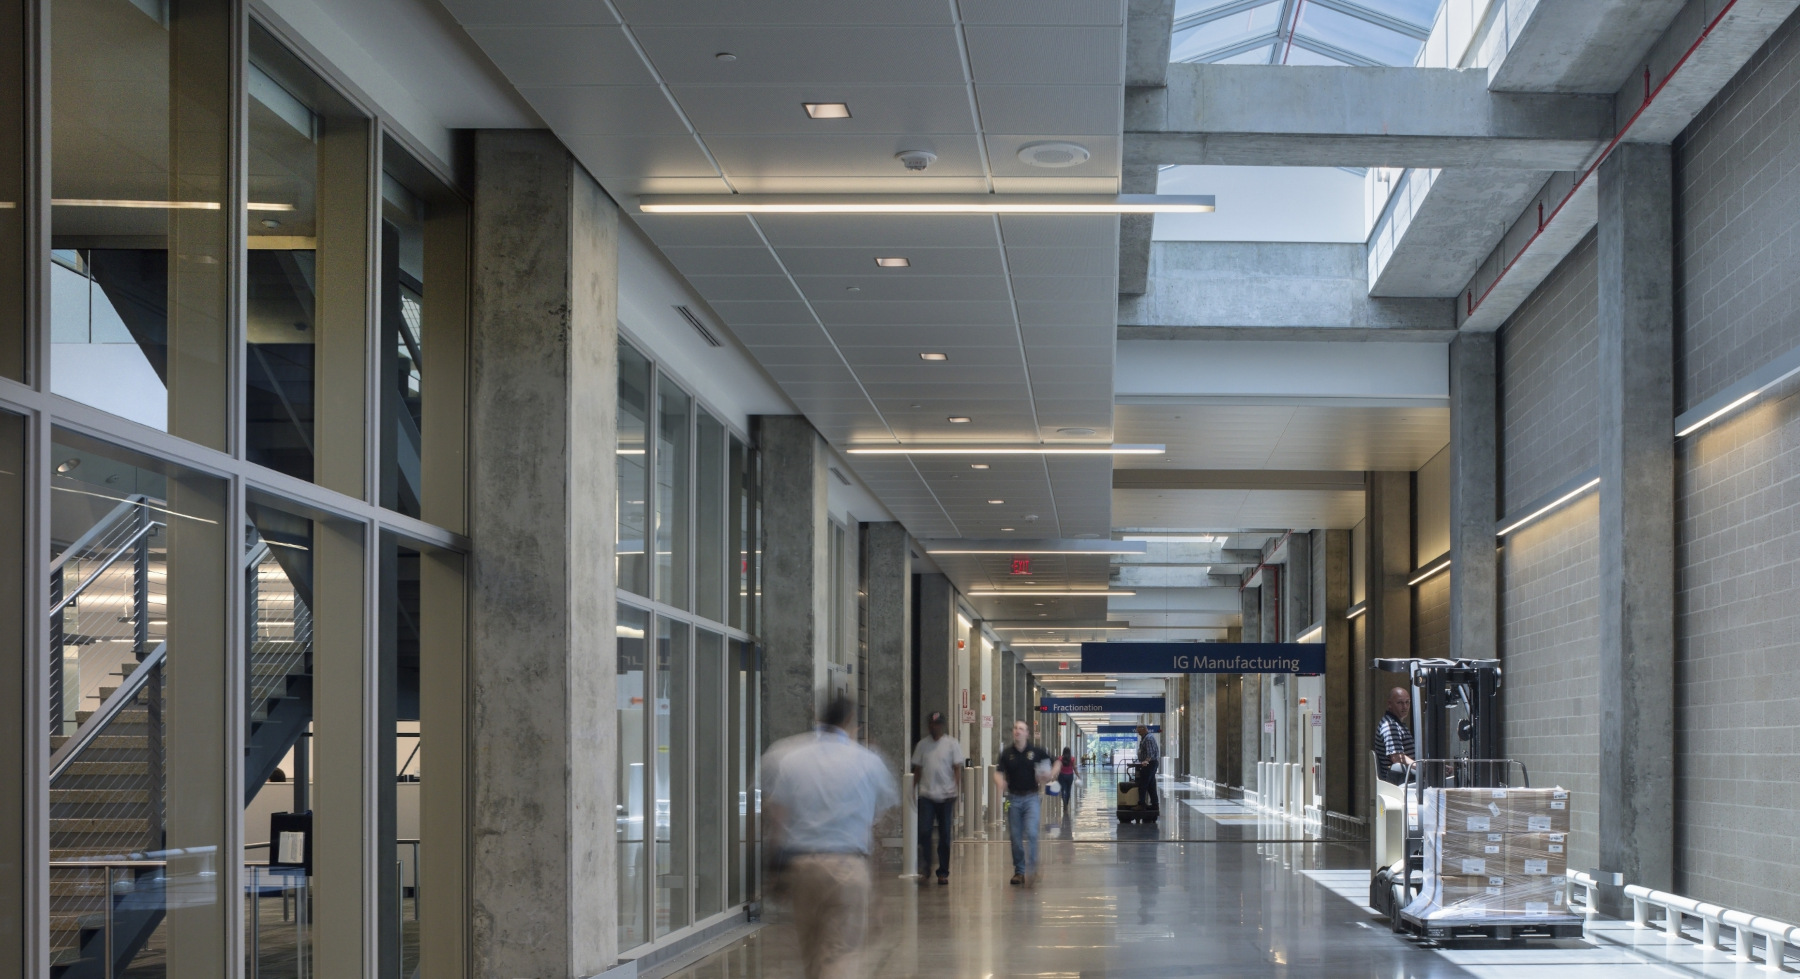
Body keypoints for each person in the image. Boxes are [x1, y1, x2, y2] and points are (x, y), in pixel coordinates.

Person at [763, 694, 898, 979]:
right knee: (840, 952)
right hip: (847, 866)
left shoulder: (789, 756)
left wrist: (774, 868)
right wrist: (878, 882)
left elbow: (777, 816)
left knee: (811, 953)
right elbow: (878, 824)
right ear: (852, 723)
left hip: (802, 868)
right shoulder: (868, 761)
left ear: (819, 719)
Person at [993, 719, 1054, 886]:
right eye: (1015, 728)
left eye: (1021, 729)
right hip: (1013, 798)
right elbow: (998, 773)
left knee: (1033, 833)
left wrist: (1050, 775)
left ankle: (1033, 869)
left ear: (1027, 733)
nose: (1017, 731)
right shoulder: (1007, 753)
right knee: (1015, 836)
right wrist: (1000, 783)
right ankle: (1019, 871)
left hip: (1031, 798)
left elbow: (1057, 761)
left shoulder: (1036, 751)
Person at [908, 710, 965, 885]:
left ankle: (943, 872)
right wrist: (913, 789)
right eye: (932, 724)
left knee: (945, 835)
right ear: (929, 726)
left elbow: (957, 768)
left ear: (943, 725)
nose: (935, 727)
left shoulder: (951, 744)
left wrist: (956, 788)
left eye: (938, 724)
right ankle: (925, 868)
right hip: (927, 795)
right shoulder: (922, 745)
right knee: (924, 832)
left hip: (947, 796)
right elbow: (917, 769)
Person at [1377, 686, 1417, 785]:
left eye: (1407, 702)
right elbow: (1397, 758)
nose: (1405, 707)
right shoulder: (1390, 725)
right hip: (1399, 782)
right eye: (1400, 703)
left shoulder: (1397, 724)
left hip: (1407, 777)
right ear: (1389, 704)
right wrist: (1423, 767)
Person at [1134, 723, 1160, 810]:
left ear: (1144, 729)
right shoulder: (1145, 738)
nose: (1138, 733)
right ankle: (1155, 804)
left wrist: (1146, 761)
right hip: (1151, 763)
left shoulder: (1148, 738)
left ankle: (1141, 804)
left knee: (1143, 784)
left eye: (1139, 731)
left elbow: (1150, 752)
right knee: (1151, 785)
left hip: (1150, 764)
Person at [1056, 747, 1078, 813]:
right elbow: (1074, 768)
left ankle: (1064, 802)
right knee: (1068, 790)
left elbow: (1058, 768)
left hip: (1061, 776)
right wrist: (1078, 776)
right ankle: (1067, 803)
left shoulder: (1060, 758)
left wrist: (1055, 776)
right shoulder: (1072, 759)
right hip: (1070, 776)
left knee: (1062, 790)